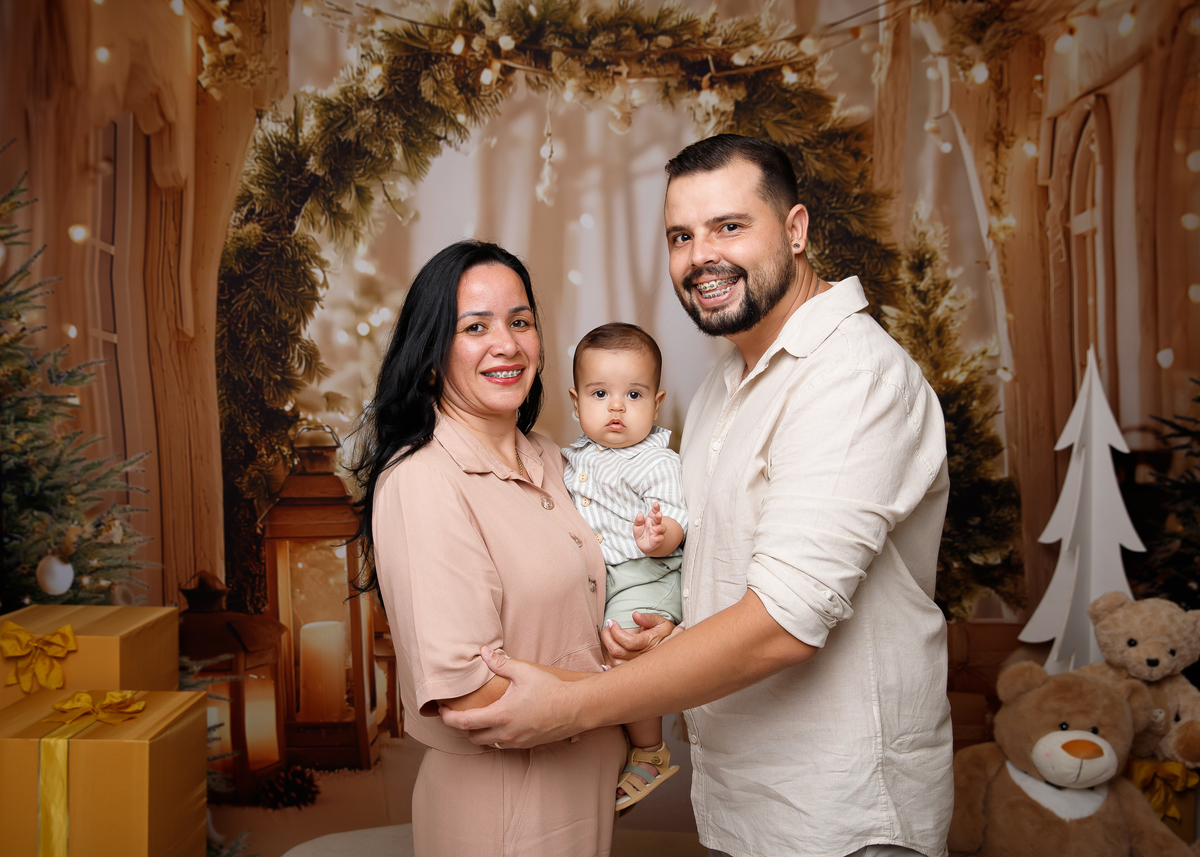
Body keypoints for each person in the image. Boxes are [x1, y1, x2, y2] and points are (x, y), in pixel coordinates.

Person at [442, 135, 954, 857]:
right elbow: (726, 572)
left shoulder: (851, 377)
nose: (699, 257)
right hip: (744, 805)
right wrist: (669, 636)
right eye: (681, 236)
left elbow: (784, 622)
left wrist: (571, 704)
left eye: (729, 226)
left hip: (843, 816)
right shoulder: (725, 382)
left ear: (796, 229)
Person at [351, 240, 627, 857]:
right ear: (430, 356)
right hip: (503, 806)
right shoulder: (423, 479)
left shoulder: (553, 458)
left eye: (520, 321)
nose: (508, 344)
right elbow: (469, 690)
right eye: (476, 327)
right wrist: (629, 692)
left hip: (583, 785)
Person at [564, 322, 687, 809]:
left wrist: (659, 536)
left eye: (633, 395)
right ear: (576, 403)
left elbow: (677, 516)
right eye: (600, 393)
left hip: (648, 574)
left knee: (623, 651)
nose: (616, 407)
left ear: (656, 404)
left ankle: (651, 750)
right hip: (606, 576)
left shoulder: (656, 462)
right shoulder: (574, 458)